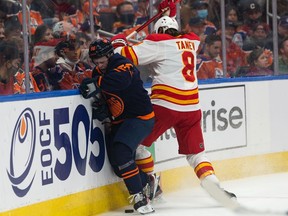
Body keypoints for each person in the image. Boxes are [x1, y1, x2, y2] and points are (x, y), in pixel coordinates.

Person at [111, 14, 237, 211]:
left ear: (159, 32)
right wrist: (169, 12)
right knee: (196, 153)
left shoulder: (158, 42)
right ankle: (216, 188)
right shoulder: (191, 42)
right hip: (192, 108)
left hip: (166, 105)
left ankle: (151, 186)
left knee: (138, 146)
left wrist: (119, 40)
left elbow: (124, 55)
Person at [78, 38, 159, 214]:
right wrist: (105, 109)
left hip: (140, 118)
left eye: (102, 61)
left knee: (121, 151)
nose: (100, 65)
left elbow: (119, 82)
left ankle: (140, 198)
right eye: (96, 62)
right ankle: (148, 182)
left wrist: (97, 84)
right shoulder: (97, 71)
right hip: (120, 121)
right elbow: (106, 95)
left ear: (110, 55)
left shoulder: (123, 64)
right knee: (118, 165)